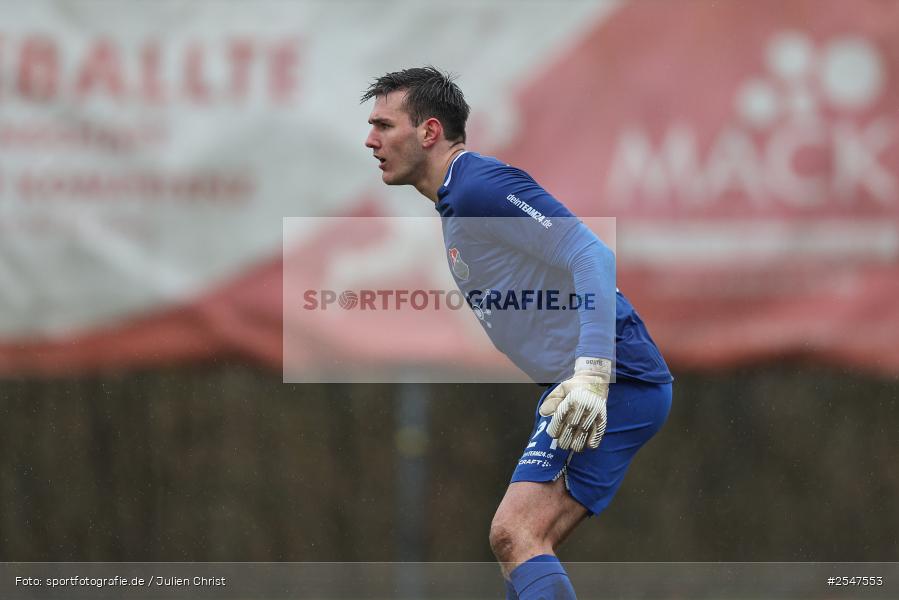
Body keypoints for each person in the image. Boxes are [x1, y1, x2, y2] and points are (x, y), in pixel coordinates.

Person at [362, 67, 673, 600]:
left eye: (384, 126)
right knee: (521, 549)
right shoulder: (457, 200)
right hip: (587, 386)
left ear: (430, 132)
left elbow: (591, 254)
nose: (371, 140)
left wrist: (594, 373)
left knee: (516, 533)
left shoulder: (479, 185)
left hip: (613, 380)